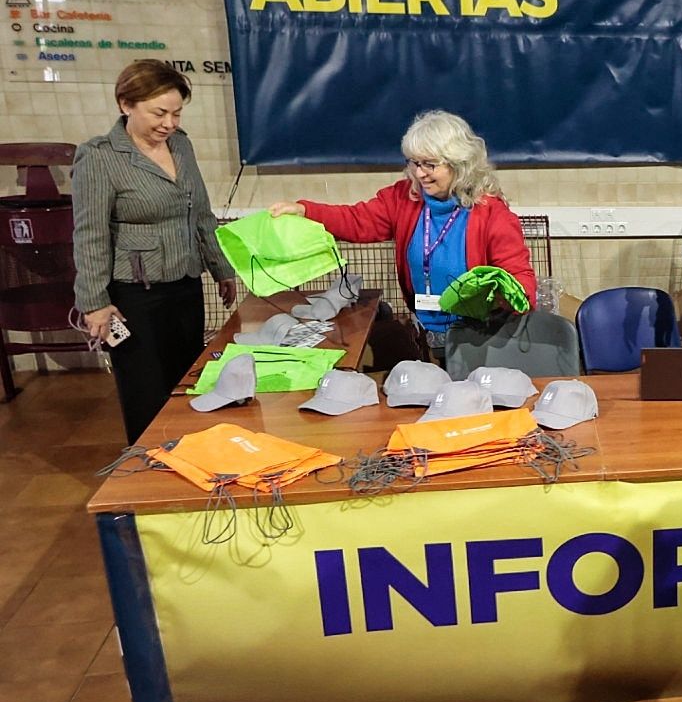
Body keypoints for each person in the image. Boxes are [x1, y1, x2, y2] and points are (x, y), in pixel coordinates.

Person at [269, 110, 536, 359]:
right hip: (425, 334)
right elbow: (356, 220)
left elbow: (523, 285)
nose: (420, 174)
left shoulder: (492, 215)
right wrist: (305, 210)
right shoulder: (403, 198)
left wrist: (501, 295)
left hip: (477, 341)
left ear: (460, 164)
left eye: (430, 165)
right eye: (414, 163)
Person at [72, 60, 240, 444]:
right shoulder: (100, 156)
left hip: (184, 283)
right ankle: (146, 471)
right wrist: (94, 302)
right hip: (133, 294)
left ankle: (188, 459)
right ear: (125, 104)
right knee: (145, 390)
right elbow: (90, 234)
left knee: (186, 382)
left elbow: (201, 212)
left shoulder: (181, 145)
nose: (169, 123)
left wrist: (221, 268)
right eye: (159, 113)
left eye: (176, 113)